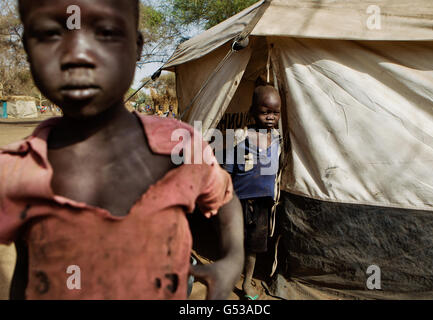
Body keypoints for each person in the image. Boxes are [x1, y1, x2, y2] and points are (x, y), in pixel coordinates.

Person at [0, 0, 244, 300]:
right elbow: (26, 268)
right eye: (51, 34)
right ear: (27, 47)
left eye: (105, 32)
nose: (77, 54)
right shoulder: (15, 170)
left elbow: (225, 197)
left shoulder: (180, 148)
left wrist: (233, 259)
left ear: (138, 46)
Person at [223, 85, 281, 300]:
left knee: (254, 245)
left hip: (263, 202)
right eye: (265, 112)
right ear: (253, 112)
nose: (270, 117)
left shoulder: (277, 138)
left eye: (275, 113)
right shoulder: (240, 137)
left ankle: (247, 283)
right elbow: (227, 171)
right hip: (238, 200)